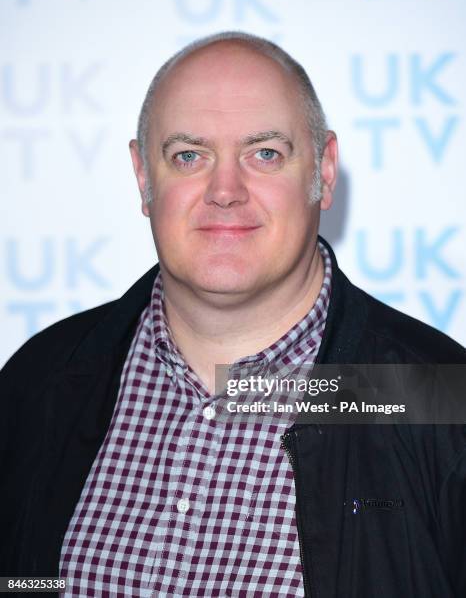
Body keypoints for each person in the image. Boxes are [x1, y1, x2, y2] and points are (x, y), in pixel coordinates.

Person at [0, 31, 464, 598]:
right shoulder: (37, 380)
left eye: (264, 153)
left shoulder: (437, 400)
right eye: (188, 156)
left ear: (324, 171)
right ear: (144, 178)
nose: (225, 190)